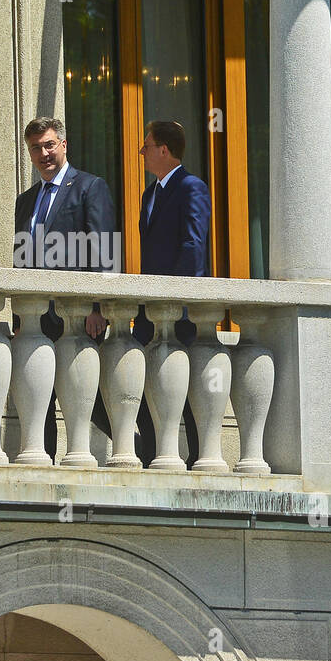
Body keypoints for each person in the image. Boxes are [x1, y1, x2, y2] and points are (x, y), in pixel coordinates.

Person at [13, 116, 117, 459]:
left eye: (48, 145)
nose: (43, 153)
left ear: (63, 145)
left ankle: (138, 446)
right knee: (39, 398)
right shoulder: (25, 200)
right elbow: (21, 257)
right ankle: (44, 467)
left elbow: (102, 250)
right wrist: (19, 316)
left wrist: (98, 307)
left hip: (77, 317)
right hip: (36, 318)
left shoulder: (89, 187)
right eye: (35, 148)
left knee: (91, 399)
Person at [134, 120, 210, 468]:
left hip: (179, 309)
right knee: (141, 383)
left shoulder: (191, 187)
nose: (142, 152)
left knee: (189, 388)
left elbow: (193, 244)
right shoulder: (151, 193)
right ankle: (151, 453)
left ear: (164, 150)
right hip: (148, 308)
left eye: (146, 146)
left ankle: (197, 456)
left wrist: (178, 298)